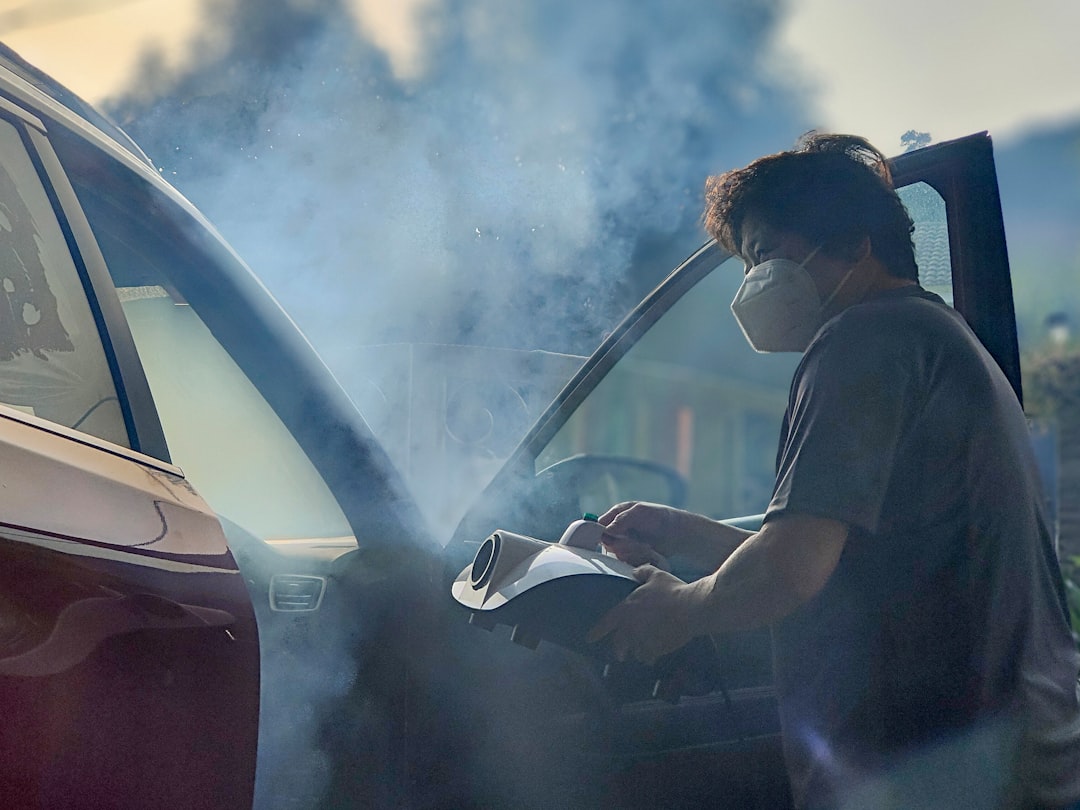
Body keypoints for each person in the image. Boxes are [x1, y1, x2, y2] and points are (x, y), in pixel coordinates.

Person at [586, 133, 1080, 809]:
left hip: (944, 769)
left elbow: (791, 571)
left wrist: (681, 610)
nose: (753, 283)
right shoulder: (928, 334)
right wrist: (684, 532)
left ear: (853, 241)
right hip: (996, 756)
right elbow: (842, 571)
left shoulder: (863, 340)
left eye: (763, 255)